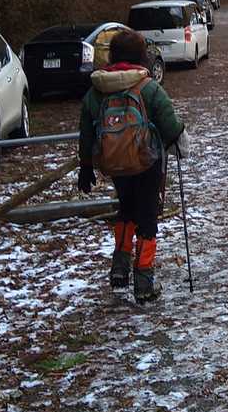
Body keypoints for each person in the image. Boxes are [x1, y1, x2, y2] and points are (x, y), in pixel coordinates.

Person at [78, 28, 186, 302]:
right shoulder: (148, 87)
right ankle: (144, 282)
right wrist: (178, 137)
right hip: (146, 162)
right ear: (141, 56)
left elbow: (86, 130)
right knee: (147, 215)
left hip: (114, 163)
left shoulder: (96, 90)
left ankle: (119, 269)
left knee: (126, 208)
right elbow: (171, 126)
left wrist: (86, 165)